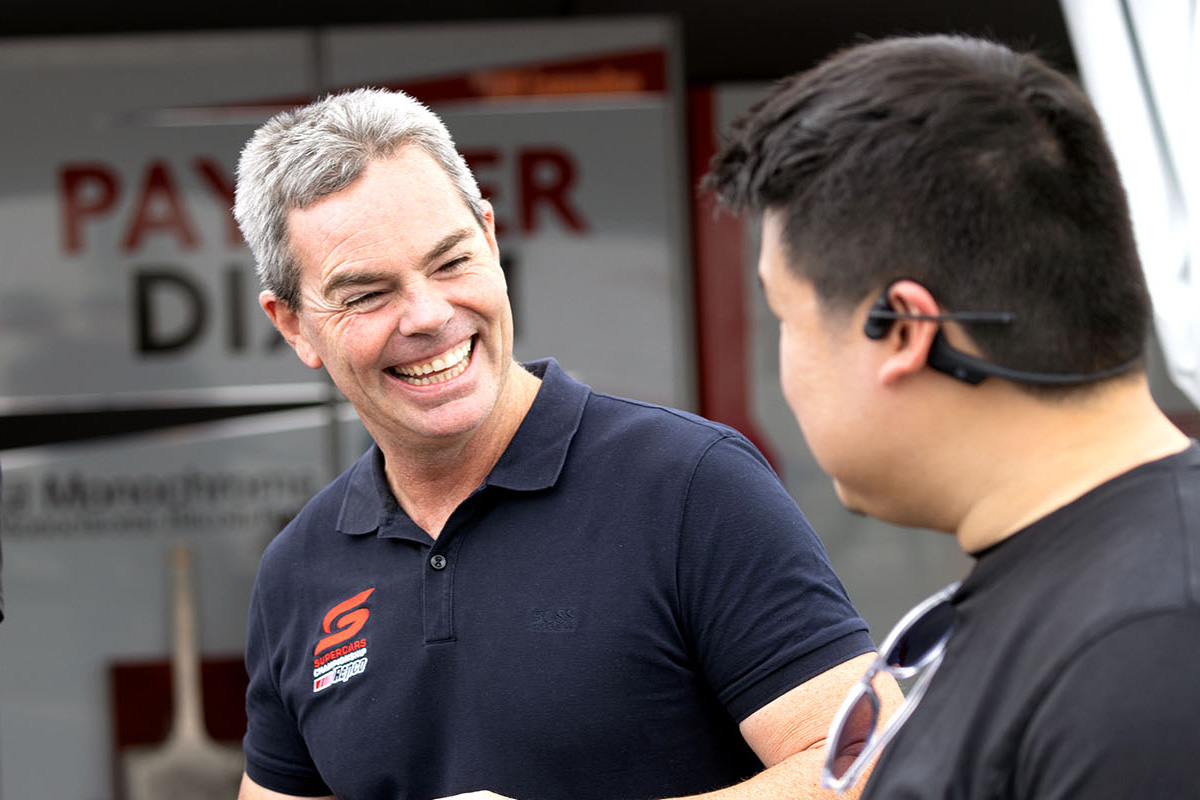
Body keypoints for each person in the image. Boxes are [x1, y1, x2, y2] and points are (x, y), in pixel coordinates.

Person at [233, 87, 895, 800]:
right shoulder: (298, 572)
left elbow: (873, 764)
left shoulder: (690, 486)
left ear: (490, 239)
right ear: (293, 325)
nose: (427, 315)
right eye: (367, 294)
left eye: (451, 262)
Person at [704, 33, 1200, 799]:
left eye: (785, 316)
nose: (784, 364)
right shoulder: (1105, 600)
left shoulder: (1142, 655)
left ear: (904, 330)